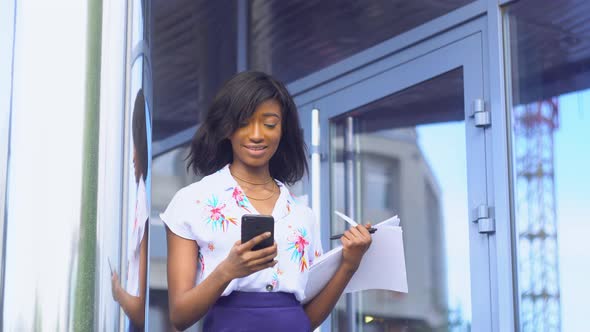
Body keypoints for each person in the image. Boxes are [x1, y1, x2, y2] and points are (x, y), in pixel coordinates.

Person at [161, 71, 372, 331]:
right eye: (244, 123)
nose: (257, 134)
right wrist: (228, 270)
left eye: (270, 124)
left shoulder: (301, 214)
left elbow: (307, 319)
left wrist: (349, 264)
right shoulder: (192, 202)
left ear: (283, 130)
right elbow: (179, 316)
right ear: (227, 128)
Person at [111, 89, 149, 330]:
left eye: (135, 145)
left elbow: (140, 310)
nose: (132, 158)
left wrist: (116, 291)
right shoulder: (139, 203)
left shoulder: (144, 209)